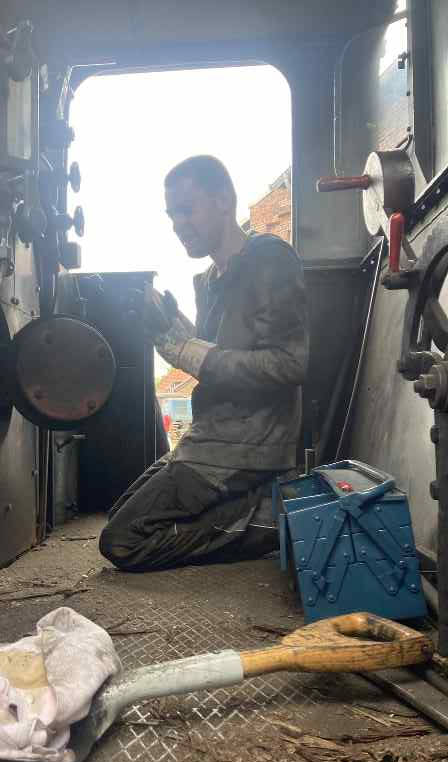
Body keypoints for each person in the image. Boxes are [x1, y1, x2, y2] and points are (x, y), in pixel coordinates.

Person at [99, 155, 308, 571]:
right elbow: (223, 354)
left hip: (246, 446)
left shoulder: (269, 258)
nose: (178, 224)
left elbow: (289, 364)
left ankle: (275, 519)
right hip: (212, 436)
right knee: (120, 513)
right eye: (171, 215)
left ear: (223, 200)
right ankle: (255, 504)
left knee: (122, 541)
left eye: (186, 209)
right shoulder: (210, 281)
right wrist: (170, 328)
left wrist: (183, 348)